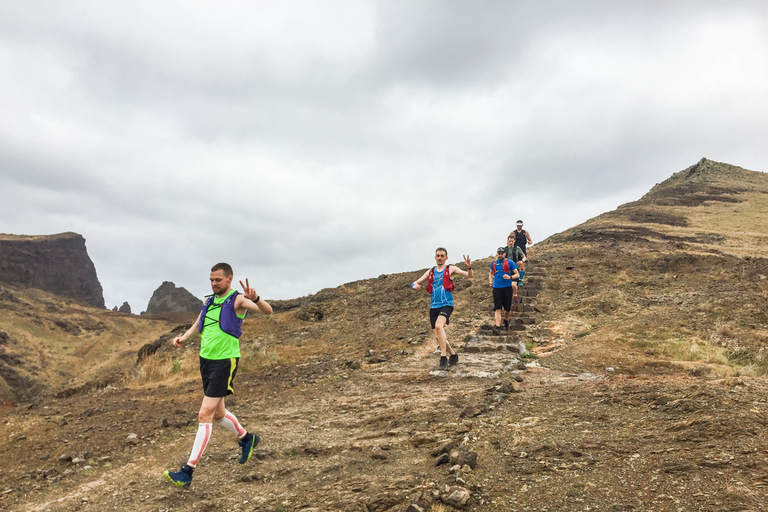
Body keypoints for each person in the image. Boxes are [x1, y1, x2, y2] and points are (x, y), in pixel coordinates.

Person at [163, 262, 273, 489]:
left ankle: (187, 472)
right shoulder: (208, 301)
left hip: (225, 361)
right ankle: (247, 439)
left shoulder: (239, 300)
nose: (214, 283)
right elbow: (198, 322)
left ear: (229, 279)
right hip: (207, 361)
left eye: (218, 280)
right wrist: (183, 337)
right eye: (211, 280)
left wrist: (256, 298)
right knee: (218, 413)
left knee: (204, 414)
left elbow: (267, 312)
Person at [411, 248, 474, 369]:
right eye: (438, 256)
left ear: (446, 257)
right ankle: (454, 355)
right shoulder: (431, 271)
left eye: (442, 256)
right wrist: (415, 286)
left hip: (446, 304)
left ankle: (443, 358)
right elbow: (414, 283)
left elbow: (469, 276)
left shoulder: (451, 269)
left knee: (439, 326)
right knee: (437, 335)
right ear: (435, 257)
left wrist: (469, 268)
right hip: (433, 306)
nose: (440, 258)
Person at [489, 247, 519, 334]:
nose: (500, 255)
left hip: (507, 288)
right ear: (497, 253)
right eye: (499, 253)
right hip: (497, 288)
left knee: (507, 309)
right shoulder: (493, 263)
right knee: (498, 308)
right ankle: (497, 326)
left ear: (505, 254)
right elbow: (490, 272)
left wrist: (510, 277)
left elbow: (517, 274)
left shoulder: (510, 262)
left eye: (502, 253)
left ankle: (506, 320)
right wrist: (490, 281)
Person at [509, 220, 532, 285]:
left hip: (522, 250)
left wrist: (529, 242)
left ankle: (520, 279)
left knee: (522, 266)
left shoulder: (525, 232)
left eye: (520, 225)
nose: (519, 227)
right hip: (514, 250)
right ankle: (513, 278)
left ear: (522, 225)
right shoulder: (513, 233)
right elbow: (508, 240)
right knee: (513, 265)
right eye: (518, 225)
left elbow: (530, 240)